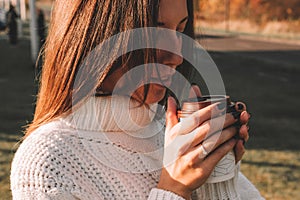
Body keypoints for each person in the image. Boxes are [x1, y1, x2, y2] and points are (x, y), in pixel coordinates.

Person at [10, 0, 264, 199]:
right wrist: (174, 189)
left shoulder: (174, 135)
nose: (176, 56)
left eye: (180, 29)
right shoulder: (47, 162)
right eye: (155, 29)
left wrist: (216, 178)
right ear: (98, 33)